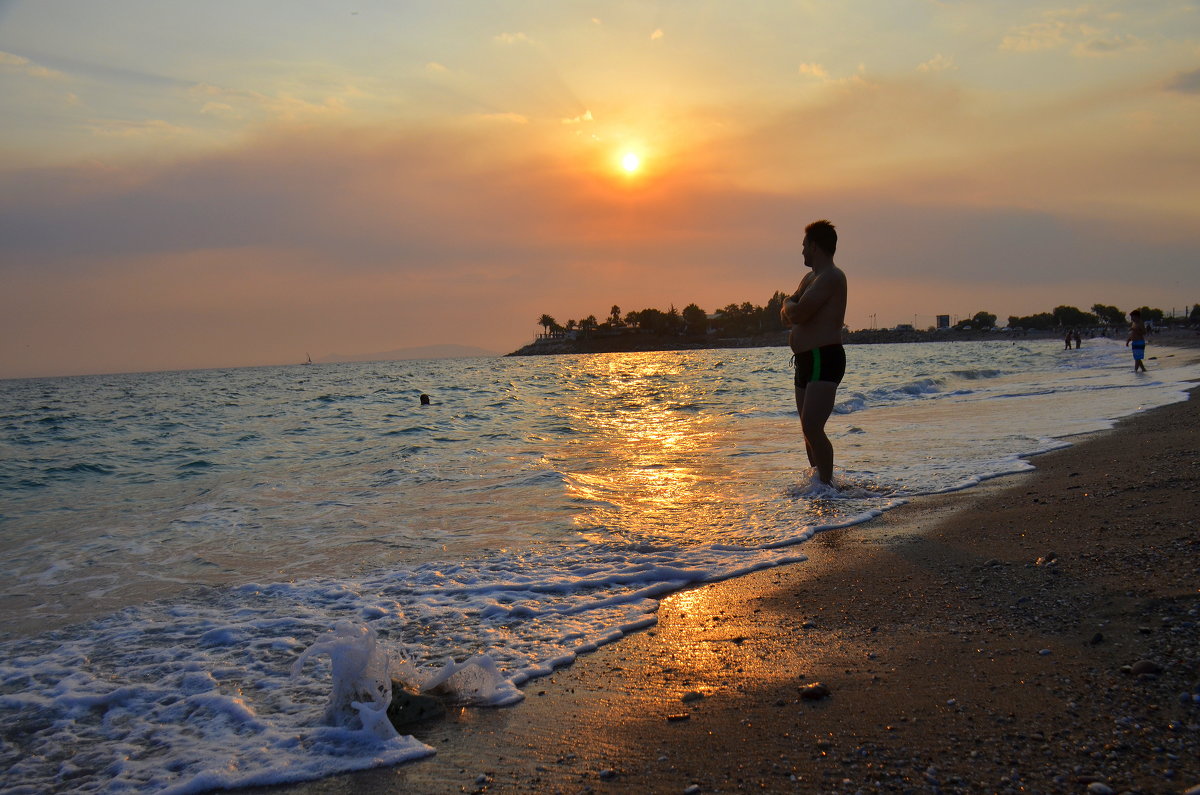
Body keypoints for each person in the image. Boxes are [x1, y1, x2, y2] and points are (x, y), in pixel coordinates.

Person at [781, 219, 847, 487]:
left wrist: (786, 302)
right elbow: (788, 318)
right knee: (806, 431)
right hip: (805, 361)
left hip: (824, 356)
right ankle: (819, 486)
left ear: (816, 246)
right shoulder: (810, 278)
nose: (802, 251)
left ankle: (828, 486)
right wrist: (790, 308)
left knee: (812, 427)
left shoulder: (832, 276)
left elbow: (796, 311)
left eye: (804, 245)